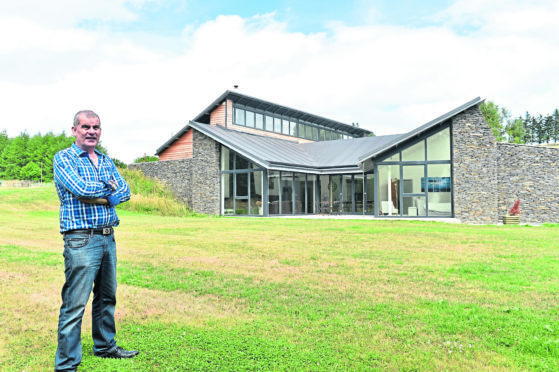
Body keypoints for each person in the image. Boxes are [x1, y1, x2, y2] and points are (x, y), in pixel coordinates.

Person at [53, 110, 138, 371]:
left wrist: (104, 194)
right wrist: (108, 191)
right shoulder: (63, 158)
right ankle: (67, 364)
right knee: (75, 303)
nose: (92, 131)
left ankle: (104, 346)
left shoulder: (105, 160)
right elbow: (81, 190)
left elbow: (125, 191)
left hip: (107, 237)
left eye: (96, 127)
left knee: (106, 297)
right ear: (74, 130)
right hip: (81, 238)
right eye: (86, 126)